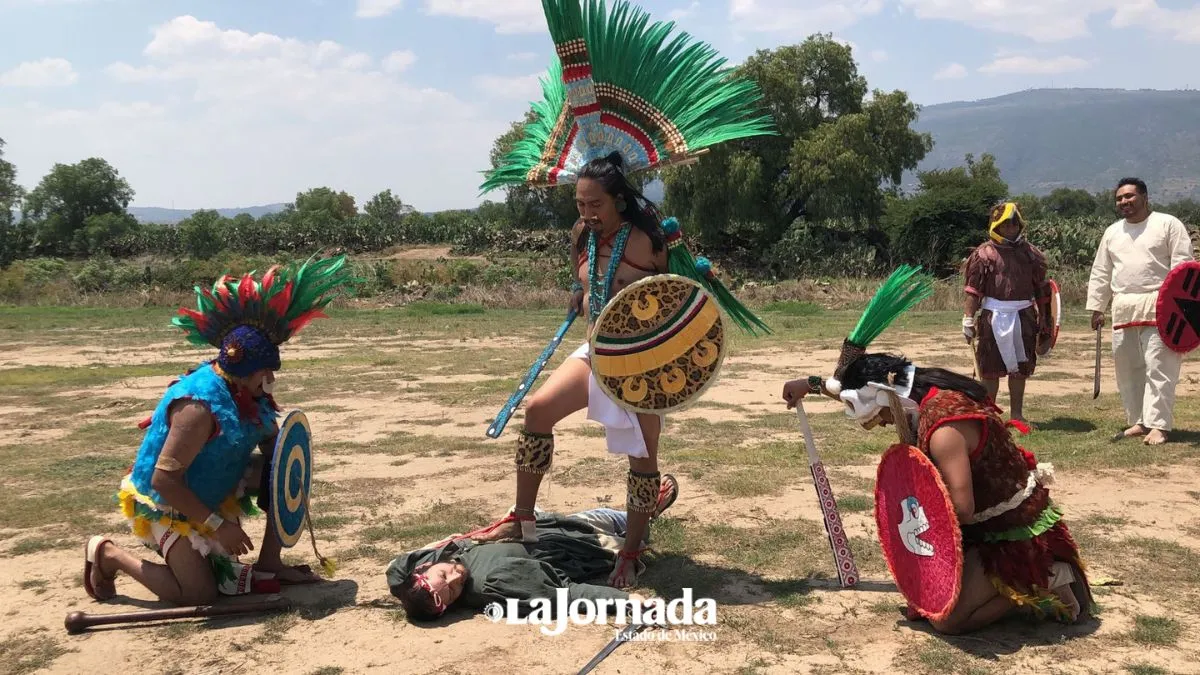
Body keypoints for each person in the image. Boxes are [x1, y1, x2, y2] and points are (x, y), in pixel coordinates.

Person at [469, 0, 774, 589]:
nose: (585, 213)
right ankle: (523, 521)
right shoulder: (581, 236)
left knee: (643, 459)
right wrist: (577, 303)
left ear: (619, 201)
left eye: (594, 205)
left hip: (644, 360)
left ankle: (631, 550)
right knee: (536, 413)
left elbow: (678, 297)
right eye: (579, 204)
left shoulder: (648, 240)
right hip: (595, 352)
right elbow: (585, 290)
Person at [781, 266, 1092, 635]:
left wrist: (913, 530)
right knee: (924, 604)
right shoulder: (914, 392)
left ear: (888, 398)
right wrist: (810, 384)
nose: (879, 424)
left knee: (948, 620)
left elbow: (961, 509)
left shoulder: (944, 428)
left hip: (1010, 537)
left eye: (879, 415)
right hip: (981, 530)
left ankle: (1045, 575)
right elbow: (854, 390)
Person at [82, 254, 357, 605]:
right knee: (198, 594)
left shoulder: (248, 391)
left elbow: (280, 454)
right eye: (265, 373)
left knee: (282, 472)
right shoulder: (198, 407)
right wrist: (217, 526)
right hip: (169, 503)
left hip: (214, 489)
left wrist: (287, 464)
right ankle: (109, 555)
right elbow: (163, 481)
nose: (270, 381)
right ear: (244, 369)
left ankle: (268, 566)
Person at [386, 483, 678, 622]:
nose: (455, 578)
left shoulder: (417, 568)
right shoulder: (495, 581)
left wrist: (434, 545)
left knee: (524, 513)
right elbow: (565, 595)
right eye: (451, 592)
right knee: (623, 527)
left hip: (534, 526)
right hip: (573, 541)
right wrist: (626, 601)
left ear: (422, 570)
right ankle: (646, 514)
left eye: (443, 574)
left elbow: (395, 569)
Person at [1087, 177, 1194, 445]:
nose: (1124, 202)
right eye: (1120, 198)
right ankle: (1139, 420)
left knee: (1159, 366)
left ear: (1145, 197)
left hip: (1162, 305)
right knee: (1128, 368)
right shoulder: (1112, 232)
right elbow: (1102, 271)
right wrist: (1097, 307)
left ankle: (1159, 425)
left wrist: (1181, 308)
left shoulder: (1167, 224)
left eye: (1130, 196)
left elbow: (1183, 267)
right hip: (1124, 307)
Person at [962, 201, 1053, 424]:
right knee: (989, 368)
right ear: (996, 225)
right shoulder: (984, 255)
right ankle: (989, 413)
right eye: (1005, 225)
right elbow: (974, 291)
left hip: (1023, 315)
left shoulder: (1032, 254)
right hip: (993, 316)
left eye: (1014, 224)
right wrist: (968, 318)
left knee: (1019, 368)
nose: (1010, 229)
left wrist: (1045, 319)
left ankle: (1016, 414)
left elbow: (1042, 290)